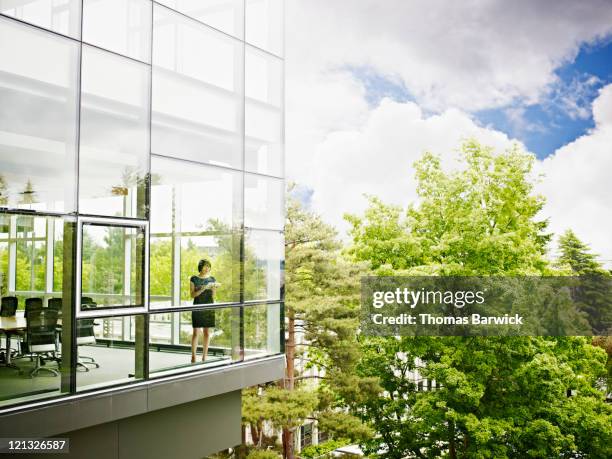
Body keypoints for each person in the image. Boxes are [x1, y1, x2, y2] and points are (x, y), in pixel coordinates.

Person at [190, 259, 217, 363]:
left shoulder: (212, 279)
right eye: (205, 266)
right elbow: (192, 295)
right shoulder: (194, 278)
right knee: (196, 332)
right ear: (200, 267)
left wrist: (214, 289)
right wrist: (203, 288)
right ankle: (193, 356)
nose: (207, 268)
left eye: (208, 266)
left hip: (209, 307)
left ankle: (204, 356)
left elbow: (213, 297)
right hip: (197, 306)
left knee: (207, 332)